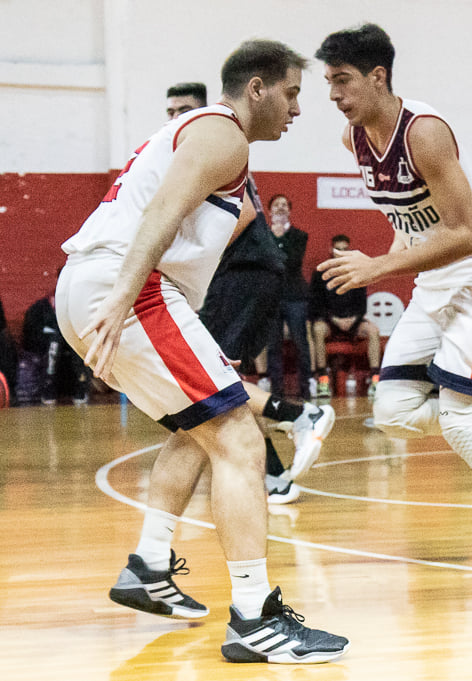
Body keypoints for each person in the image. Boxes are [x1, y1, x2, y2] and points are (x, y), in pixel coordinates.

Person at [55, 39, 348, 663]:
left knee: (199, 429)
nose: (299, 109)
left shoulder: (218, 149)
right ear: (258, 88)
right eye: (293, 93)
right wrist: (126, 294)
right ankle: (254, 618)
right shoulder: (224, 133)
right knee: (240, 439)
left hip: (112, 287)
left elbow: (202, 222)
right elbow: (162, 210)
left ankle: (149, 566)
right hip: (126, 287)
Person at [315, 23, 472, 578]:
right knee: (394, 412)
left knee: (459, 422)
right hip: (436, 281)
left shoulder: (425, 133)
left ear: (378, 77)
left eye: (342, 81)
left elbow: (467, 234)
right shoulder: (353, 138)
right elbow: (408, 218)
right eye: (328, 83)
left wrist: (378, 268)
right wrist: (389, 258)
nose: (333, 95)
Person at [170, 82, 335, 505]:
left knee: (210, 381)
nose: (175, 117)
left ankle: (301, 414)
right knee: (220, 382)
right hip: (242, 276)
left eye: (184, 108)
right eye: (170, 110)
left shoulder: (213, 142)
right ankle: (276, 475)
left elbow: (242, 214)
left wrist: (192, 265)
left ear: (202, 109)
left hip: (246, 273)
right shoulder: (200, 145)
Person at [309, 233, 382, 397]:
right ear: (331, 250)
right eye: (338, 250)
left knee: (373, 331)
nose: (341, 253)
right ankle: (322, 379)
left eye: (344, 249)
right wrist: (333, 319)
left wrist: (353, 319)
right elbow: (316, 304)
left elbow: (362, 303)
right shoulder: (320, 274)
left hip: (353, 321)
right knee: (317, 330)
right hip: (330, 321)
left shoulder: (357, 272)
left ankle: (375, 379)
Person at [264, 194, 314, 398]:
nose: (281, 207)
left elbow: (292, 262)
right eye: (277, 204)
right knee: (273, 344)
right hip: (272, 297)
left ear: (290, 210)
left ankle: (305, 388)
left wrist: (277, 240)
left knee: (300, 342)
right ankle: (276, 391)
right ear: (269, 211)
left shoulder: (300, 235)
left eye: (285, 204)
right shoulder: (262, 235)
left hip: (295, 296)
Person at [22, 282, 92, 404]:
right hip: (49, 355)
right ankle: (49, 384)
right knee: (55, 342)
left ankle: (81, 384)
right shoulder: (40, 308)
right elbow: (30, 337)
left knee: (74, 343)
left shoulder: (79, 308)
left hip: (71, 356)